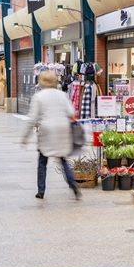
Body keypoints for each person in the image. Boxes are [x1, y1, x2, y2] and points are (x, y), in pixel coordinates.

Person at [22, 70, 81, 200]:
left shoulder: (39, 96)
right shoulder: (62, 95)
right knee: (62, 159)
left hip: (46, 131)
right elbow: (71, 112)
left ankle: (41, 190)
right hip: (62, 129)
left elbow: (32, 118)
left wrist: (25, 137)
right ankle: (73, 185)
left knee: (42, 161)